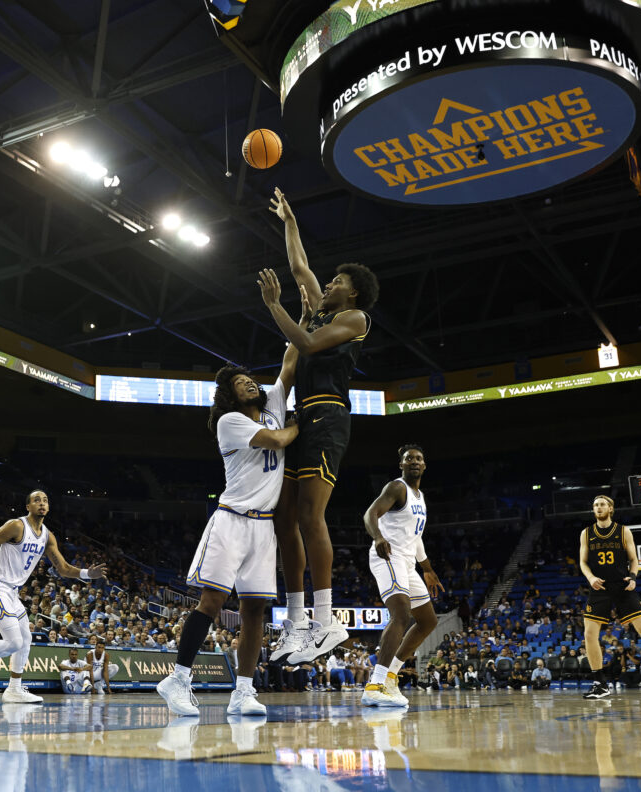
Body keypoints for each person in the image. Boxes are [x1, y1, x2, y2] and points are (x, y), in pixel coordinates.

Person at [265, 188, 380, 665]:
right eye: (328, 280)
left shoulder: (354, 317)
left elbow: (310, 344)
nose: (326, 283)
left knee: (311, 516)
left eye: (336, 280)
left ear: (351, 290)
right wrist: (290, 220)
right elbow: (298, 268)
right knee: (282, 518)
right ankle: (295, 622)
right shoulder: (318, 306)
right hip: (300, 416)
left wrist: (274, 307)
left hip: (329, 415)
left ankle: (326, 619)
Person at [155, 341, 299, 718]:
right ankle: (177, 679)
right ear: (229, 395)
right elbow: (279, 440)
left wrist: (303, 320)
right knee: (212, 603)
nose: (250, 383)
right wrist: (298, 423)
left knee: (255, 611)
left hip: (263, 528)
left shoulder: (273, 407)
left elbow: (289, 362)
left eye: (251, 379)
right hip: (232, 520)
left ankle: (244, 693)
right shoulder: (229, 422)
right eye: (240, 383)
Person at [0, 489, 106, 703]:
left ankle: (14, 688)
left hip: (12, 593)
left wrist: (88, 574)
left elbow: (63, 568)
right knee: (13, 642)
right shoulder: (16, 525)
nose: (41, 503)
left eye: (45, 500)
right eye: (36, 500)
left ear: (48, 507)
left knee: (25, 639)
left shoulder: (48, 536)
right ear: (28, 507)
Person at [361, 445, 444, 708]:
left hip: (407, 563)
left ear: (425, 465)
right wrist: (378, 536)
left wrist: (427, 569)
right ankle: (374, 684)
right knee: (400, 614)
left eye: (419, 458)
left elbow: (416, 538)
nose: (415, 462)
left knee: (428, 621)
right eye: (409, 459)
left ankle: (390, 677)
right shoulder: (396, 488)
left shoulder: (420, 497)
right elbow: (370, 514)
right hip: (388, 556)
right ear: (402, 465)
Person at [579, 495, 641, 699]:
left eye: (602, 504)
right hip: (599, 586)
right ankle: (600, 684)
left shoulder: (624, 531)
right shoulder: (586, 533)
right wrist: (590, 578)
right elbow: (583, 562)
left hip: (622, 585)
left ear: (610, 508)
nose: (598, 507)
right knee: (589, 634)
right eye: (595, 504)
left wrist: (633, 577)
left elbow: (634, 559)